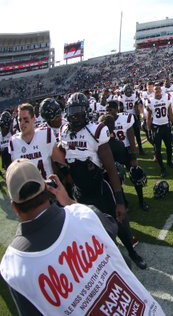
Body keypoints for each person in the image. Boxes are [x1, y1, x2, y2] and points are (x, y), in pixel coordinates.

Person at [0, 158, 164, 315]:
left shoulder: (13, 268)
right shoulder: (83, 213)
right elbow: (111, 229)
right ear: (47, 188)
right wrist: (69, 201)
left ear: (14, 207)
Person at [58, 93, 147, 268]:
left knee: (118, 223)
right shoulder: (64, 131)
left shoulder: (96, 130)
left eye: (78, 112)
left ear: (86, 111)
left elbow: (111, 168)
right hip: (81, 193)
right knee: (94, 229)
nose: (74, 116)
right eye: (71, 112)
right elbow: (64, 159)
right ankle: (110, 259)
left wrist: (120, 201)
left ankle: (132, 252)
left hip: (100, 187)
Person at [105, 101, 149, 211]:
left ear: (116, 109)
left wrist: (133, 156)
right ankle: (123, 202)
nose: (108, 112)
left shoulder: (125, 118)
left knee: (135, 176)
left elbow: (131, 138)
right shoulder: (105, 121)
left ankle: (141, 200)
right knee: (116, 179)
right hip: (113, 152)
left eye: (110, 110)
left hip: (126, 150)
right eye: (107, 110)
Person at [9, 103, 67, 180]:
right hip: (28, 190)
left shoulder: (44, 135)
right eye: (20, 120)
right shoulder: (14, 142)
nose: (22, 123)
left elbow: (61, 159)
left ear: (33, 120)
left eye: (26, 120)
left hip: (47, 188)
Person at [146, 82, 173, 178]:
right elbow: (148, 117)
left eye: (159, 89)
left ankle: (169, 161)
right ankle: (162, 168)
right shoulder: (150, 101)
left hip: (166, 126)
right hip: (156, 127)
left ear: (161, 90)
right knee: (157, 149)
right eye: (156, 89)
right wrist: (148, 130)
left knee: (169, 146)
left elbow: (170, 112)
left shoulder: (166, 98)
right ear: (153, 91)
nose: (158, 91)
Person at [118, 83, 146, 155]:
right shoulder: (122, 97)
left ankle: (139, 149)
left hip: (129, 117)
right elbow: (121, 109)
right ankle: (136, 149)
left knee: (137, 134)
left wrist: (137, 119)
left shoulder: (129, 96)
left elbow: (135, 108)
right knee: (130, 134)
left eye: (129, 91)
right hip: (127, 117)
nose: (128, 93)